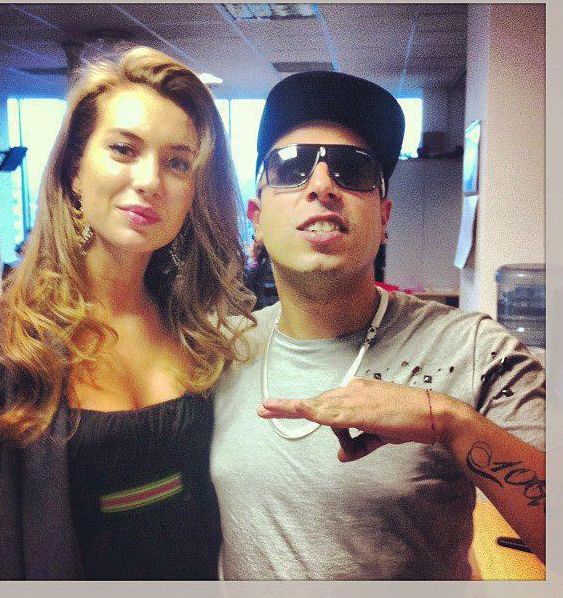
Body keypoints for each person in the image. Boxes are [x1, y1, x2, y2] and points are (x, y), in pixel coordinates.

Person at [210, 71, 545, 580]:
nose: (321, 185)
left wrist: (450, 422)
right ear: (256, 216)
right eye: (291, 167)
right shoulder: (218, 350)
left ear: (384, 218)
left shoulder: (477, 351)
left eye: (353, 169)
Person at [0, 46, 254, 580]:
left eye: (177, 162)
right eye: (124, 149)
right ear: (74, 171)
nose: (150, 181)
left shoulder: (198, 330)